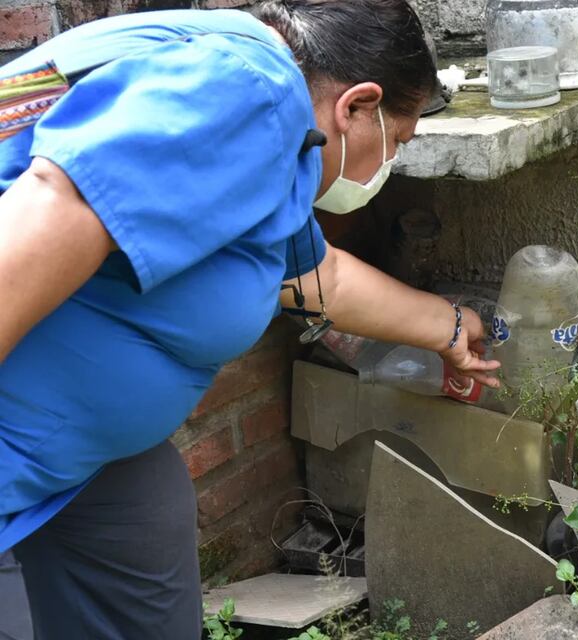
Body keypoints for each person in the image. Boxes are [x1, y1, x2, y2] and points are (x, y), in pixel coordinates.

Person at [0, 1, 499, 638]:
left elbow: (317, 278)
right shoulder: (252, 89)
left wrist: (451, 327)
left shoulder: (279, 141)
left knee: (145, 514)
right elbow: (55, 204)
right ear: (356, 106)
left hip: (84, 453)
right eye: (397, 141)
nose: (388, 166)